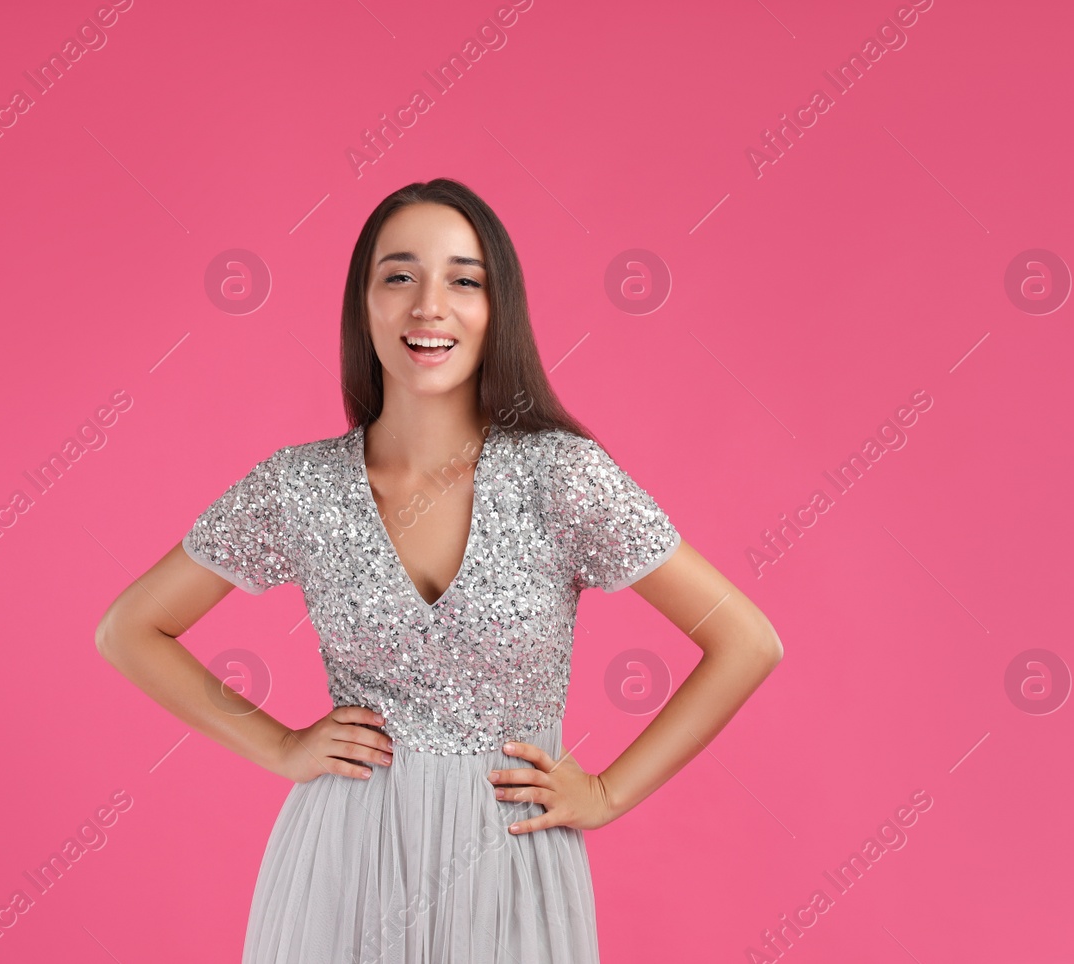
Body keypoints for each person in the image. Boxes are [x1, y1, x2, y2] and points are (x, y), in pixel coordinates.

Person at [94, 178, 783, 962]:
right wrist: (279, 747)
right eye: (399, 277)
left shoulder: (562, 478)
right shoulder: (299, 486)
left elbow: (746, 641)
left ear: (499, 310)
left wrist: (608, 793)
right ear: (364, 305)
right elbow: (129, 630)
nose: (429, 306)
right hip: (341, 865)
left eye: (464, 279)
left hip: (510, 865)